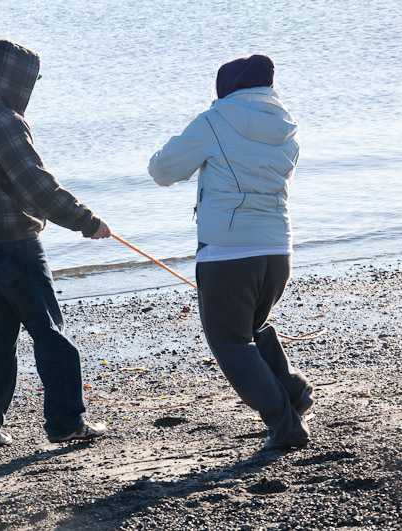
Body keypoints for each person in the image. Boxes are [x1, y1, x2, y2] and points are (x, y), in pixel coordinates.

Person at [0, 38, 111, 449]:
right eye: (33, 78)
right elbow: (38, 188)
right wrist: (87, 221)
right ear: (15, 78)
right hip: (12, 245)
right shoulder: (5, 121)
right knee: (49, 333)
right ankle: (67, 423)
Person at [147, 54, 313, 450]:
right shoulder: (286, 126)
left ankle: (285, 425)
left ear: (226, 89)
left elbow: (163, 171)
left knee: (230, 341)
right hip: (278, 248)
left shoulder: (215, 120)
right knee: (250, 328)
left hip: (228, 251)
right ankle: (293, 393)